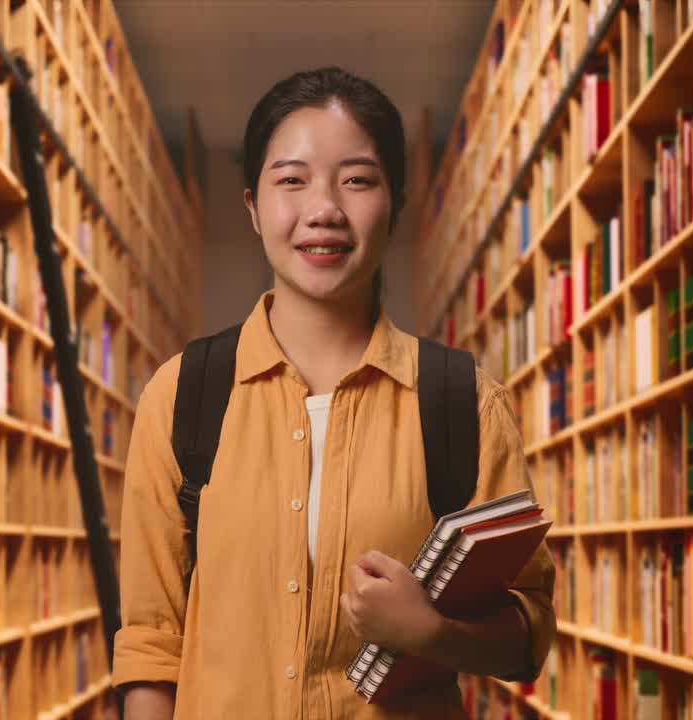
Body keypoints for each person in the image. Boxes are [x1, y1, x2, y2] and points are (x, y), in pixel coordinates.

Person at [112, 67, 555, 719]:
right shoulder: (182, 396)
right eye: (291, 179)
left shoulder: (461, 402)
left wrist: (430, 633)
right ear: (253, 207)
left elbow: (530, 630)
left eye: (356, 180)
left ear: (394, 203)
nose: (323, 209)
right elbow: (152, 644)